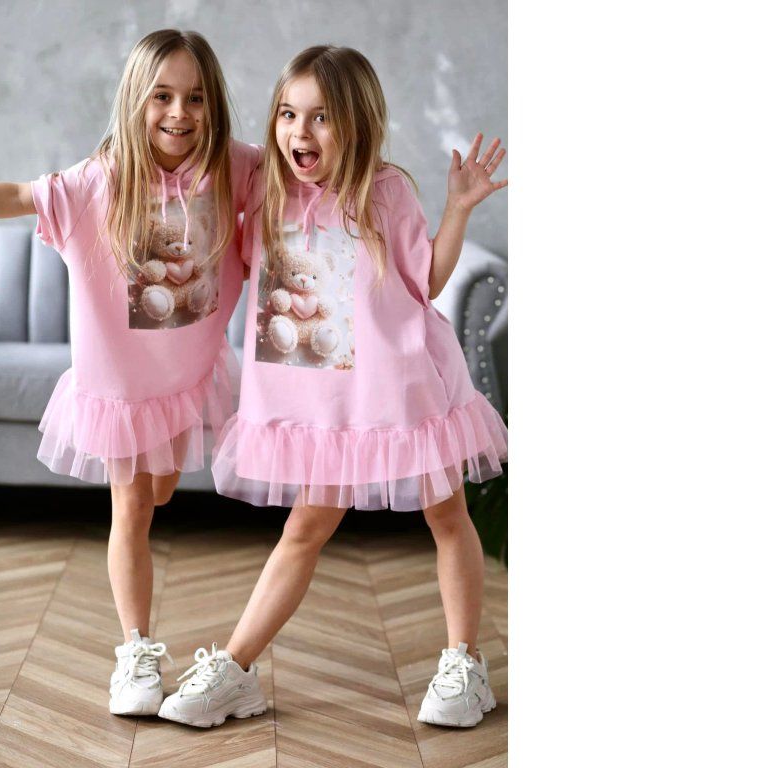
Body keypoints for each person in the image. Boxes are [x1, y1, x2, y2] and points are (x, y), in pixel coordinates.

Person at [157, 45, 508, 729]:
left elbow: (426, 282)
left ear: (356, 121)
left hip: (402, 391)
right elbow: (191, 161)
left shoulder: (386, 191)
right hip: (319, 407)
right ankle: (236, 669)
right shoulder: (263, 187)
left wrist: (459, 209)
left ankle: (465, 665)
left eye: (320, 117)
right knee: (303, 531)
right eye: (288, 114)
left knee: (447, 516)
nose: (300, 131)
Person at [0, 29, 259, 717]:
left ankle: (139, 634)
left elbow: (300, 179)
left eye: (195, 98)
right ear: (135, 100)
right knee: (133, 505)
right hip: (120, 387)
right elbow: (17, 194)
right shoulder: (99, 180)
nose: (179, 113)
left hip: (188, 376)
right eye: (162, 96)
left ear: (213, 103)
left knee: (162, 488)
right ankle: (136, 653)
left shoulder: (232, 167)